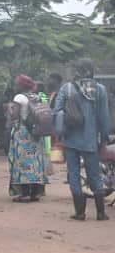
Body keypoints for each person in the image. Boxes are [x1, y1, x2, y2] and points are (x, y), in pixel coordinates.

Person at [55, 59, 110, 220]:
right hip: (91, 140)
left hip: (70, 138)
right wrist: (104, 136)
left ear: (77, 70)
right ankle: (101, 213)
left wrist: (60, 132)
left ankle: (80, 213)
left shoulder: (67, 88)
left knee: (73, 174)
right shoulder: (100, 89)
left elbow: (57, 111)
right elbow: (104, 116)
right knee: (94, 174)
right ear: (91, 70)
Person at [6, 75, 50, 202]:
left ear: (21, 85)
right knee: (35, 162)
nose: (15, 86)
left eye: (16, 84)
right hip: (36, 133)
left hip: (23, 133)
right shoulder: (36, 96)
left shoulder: (19, 97)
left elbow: (14, 116)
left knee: (23, 163)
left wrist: (9, 108)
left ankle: (24, 193)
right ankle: (36, 193)